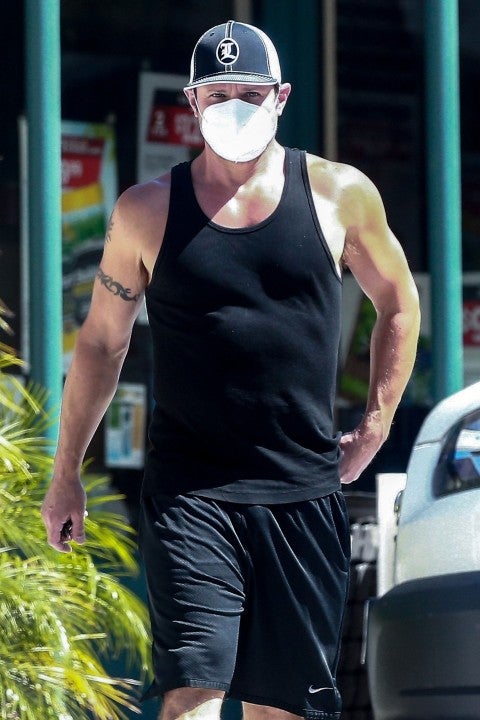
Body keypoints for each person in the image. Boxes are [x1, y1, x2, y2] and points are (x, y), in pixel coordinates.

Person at [41, 19, 420, 720]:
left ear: (282, 97)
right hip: (191, 490)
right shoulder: (146, 210)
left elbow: (398, 303)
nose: (234, 108)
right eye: (218, 95)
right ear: (192, 103)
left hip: (301, 490)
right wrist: (66, 473)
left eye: (250, 93)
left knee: (284, 710)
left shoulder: (339, 193)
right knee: (193, 696)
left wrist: (376, 423)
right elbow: (100, 344)